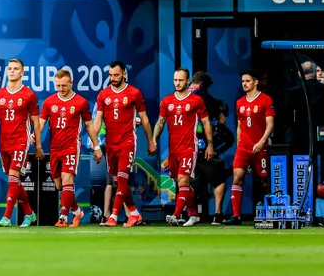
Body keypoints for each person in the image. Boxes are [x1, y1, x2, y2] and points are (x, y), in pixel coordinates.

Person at [0, 58, 42, 228]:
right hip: (4, 142)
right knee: (15, 182)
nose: (12, 71)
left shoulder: (29, 95)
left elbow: (35, 122)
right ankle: (29, 213)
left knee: (13, 178)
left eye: (16, 68)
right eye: (10, 68)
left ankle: (7, 217)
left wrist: (38, 146)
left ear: (22, 72)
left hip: (21, 141)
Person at [88, 61, 156, 227]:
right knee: (119, 181)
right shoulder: (103, 95)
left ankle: (114, 216)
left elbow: (145, 119)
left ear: (124, 74)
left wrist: (151, 141)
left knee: (123, 179)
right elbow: (97, 121)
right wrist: (94, 142)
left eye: (116, 75)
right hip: (110, 144)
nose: (113, 78)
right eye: (111, 75)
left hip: (127, 141)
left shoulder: (134, 93)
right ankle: (134, 213)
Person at [154, 68, 215, 227]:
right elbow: (160, 123)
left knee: (183, 180)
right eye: (175, 80)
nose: (177, 83)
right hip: (173, 150)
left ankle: (175, 215)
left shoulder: (196, 101)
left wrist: (209, 144)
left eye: (181, 80)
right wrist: (153, 139)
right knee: (181, 183)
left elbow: (206, 122)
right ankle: (194, 214)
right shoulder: (167, 101)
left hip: (189, 147)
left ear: (187, 81)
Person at [40, 69, 91, 227]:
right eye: (58, 85)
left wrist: (95, 146)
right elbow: (41, 122)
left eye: (64, 85)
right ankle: (77, 212)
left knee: (67, 178)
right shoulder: (49, 102)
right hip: (55, 147)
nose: (60, 88)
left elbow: (89, 125)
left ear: (71, 84)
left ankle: (63, 217)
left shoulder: (81, 102)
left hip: (71, 146)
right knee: (59, 185)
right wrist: (34, 136)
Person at [226, 69, 275, 226]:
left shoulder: (266, 100)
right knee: (237, 177)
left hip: (261, 146)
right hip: (244, 147)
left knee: (265, 181)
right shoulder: (239, 102)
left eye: (247, 81)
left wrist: (262, 142)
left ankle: (270, 212)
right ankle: (236, 216)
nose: (244, 84)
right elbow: (240, 125)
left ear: (255, 82)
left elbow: (270, 125)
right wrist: (239, 141)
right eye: (243, 82)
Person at [190, 71, 231, 224]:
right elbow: (222, 120)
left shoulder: (180, 95)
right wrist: (212, 142)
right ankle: (217, 215)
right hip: (204, 147)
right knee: (219, 180)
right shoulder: (206, 97)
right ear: (202, 85)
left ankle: (191, 215)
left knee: (190, 182)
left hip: (187, 147)